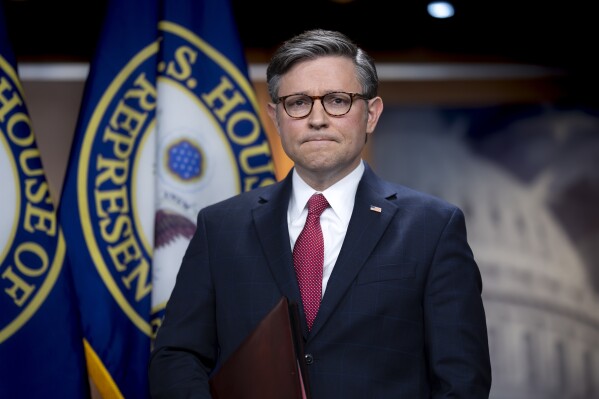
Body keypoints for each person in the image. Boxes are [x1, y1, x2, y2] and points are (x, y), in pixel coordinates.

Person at [149, 29, 492, 398]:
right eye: (298, 102)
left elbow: (461, 379)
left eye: (337, 100)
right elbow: (176, 355)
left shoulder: (433, 227)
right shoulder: (220, 227)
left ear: (371, 114)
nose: (317, 118)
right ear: (276, 116)